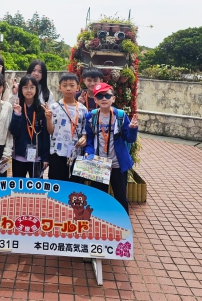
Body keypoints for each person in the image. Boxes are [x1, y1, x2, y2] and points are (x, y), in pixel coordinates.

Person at [84, 82, 138, 214]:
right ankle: (99, 221)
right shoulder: (91, 116)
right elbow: (90, 139)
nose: (104, 99)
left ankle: (123, 222)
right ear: (95, 99)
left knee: (120, 197)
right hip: (99, 164)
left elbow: (130, 139)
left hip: (117, 164)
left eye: (107, 96)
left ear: (113, 98)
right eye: (100, 96)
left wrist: (132, 129)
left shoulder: (120, 116)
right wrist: (88, 152)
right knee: (98, 197)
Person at [45, 73, 88, 182]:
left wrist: (84, 138)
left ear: (77, 87)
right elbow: (51, 131)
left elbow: (85, 131)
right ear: (60, 88)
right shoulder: (54, 107)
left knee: (75, 186)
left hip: (76, 153)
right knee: (56, 184)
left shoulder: (83, 109)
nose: (68, 88)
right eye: (65, 85)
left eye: (72, 85)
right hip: (57, 153)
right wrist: (48, 119)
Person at [9, 75, 50, 178]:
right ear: (21, 89)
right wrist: (17, 115)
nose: (29, 90)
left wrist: (45, 157)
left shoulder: (41, 109)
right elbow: (14, 132)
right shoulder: (17, 107)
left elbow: (45, 135)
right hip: (19, 156)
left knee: (37, 187)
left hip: (37, 157)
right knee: (18, 186)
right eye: (25, 87)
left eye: (32, 87)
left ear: (36, 89)